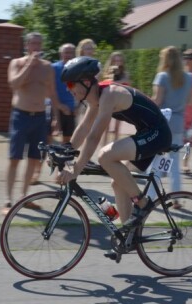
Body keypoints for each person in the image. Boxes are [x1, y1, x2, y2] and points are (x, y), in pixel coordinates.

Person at [57, 56, 172, 234]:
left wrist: (76, 169)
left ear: (86, 82)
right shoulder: (95, 99)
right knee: (118, 183)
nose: (68, 89)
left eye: (71, 84)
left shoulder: (109, 95)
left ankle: (143, 203)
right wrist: (65, 151)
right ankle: (128, 236)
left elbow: (94, 137)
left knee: (105, 155)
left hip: (158, 134)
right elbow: (84, 128)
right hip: (146, 134)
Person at [3, 32, 70, 215]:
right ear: (27, 45)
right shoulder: (16, 63)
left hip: (40, 117)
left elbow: (52, 94)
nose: (36, 47)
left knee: (34, 158)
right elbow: (14, 84)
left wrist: (56, 116)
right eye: (33, 43)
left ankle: (23, 197)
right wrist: (29, 66)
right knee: (14, 159)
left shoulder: (47, 67)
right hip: (20, 116)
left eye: (39, 44)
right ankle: (8, 201)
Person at [151, 46, 192, 201]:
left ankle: (151, 196)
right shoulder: (189, 77)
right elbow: (189, 101)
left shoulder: (162, 76)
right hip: (178, 122)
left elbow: (157, 101)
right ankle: (176, 197)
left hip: (163, 121)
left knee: (157, 161)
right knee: (174, 161)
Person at [30, 43, 76, 185]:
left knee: (68, 145)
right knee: (46, 143)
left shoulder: (77, 69)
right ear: (60, 54)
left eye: (70, 52)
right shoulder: (54, 68)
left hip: (70, 110)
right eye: (65, 52)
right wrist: (59, 110)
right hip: (54, 108)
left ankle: (61, 175)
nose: (68, 55)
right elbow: (51, 91)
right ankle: (36, 173)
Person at [100, 51, 131, 146]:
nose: (118, 62)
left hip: (120, 103)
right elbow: (106, 82)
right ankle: (103, 146)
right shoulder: (108, 72)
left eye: (120, 60)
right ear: (112, 61)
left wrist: (118, 81)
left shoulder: (125, 73)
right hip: (109, 102)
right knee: (106, 128)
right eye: (115, 60)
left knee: (117, 128)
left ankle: (114, 148)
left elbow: (127, 83)